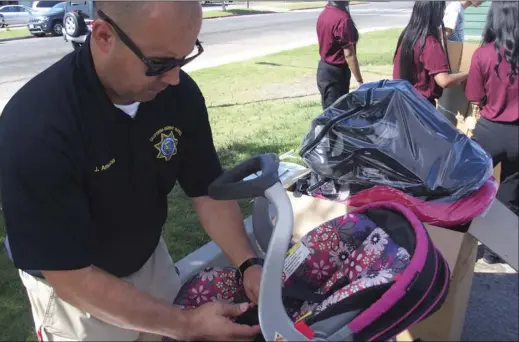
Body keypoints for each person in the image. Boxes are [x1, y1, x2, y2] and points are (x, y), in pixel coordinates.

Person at [0, 2, 263, 341]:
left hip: (150, 260)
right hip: (79, 297)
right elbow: (70, 277)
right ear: (104, 35)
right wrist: (187, 324)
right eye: (159, 63)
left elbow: (205, 190)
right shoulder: (36, 127)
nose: (174, 77)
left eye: (184, 58)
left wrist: (247, 264)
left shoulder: (179, 95)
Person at [465, 0, 519, 264]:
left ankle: (459, 237)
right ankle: (495, 252)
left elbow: (474, 96)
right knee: (510, 192)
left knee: (468, 185)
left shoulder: (483, 54)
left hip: (489, 131)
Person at [392, 1, 468, 107]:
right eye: (442, 10)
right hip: (421, 106)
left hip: (401, 101)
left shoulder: (407, 35)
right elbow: (444, 80)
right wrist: (467, 74)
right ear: (436, 13)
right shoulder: (429, 42)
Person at [316, 0, 364, 110]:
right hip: (336, 74)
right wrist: (360, 81)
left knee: (329, 112)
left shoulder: (325, 13)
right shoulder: (343, 19)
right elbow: (349, 54)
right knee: (336, 115)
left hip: (323, 70)